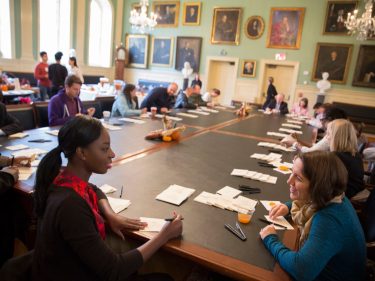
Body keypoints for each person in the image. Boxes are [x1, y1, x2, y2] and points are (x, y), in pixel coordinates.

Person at [32, 116, 183, 280]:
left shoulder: (63, 178)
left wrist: (110, 214)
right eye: (104, 149)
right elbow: (113, 270)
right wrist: (164, 236)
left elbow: (94, 189)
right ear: (82, 152)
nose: (112, 154)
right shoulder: (71, 206)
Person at [260, 151, 366, 281]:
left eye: (298, 178)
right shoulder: (335, 197)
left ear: (318, 186)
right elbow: (309, 203)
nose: (289, 181)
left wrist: (271, 239)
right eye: (291, 172)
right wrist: (288, 207)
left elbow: (301, 270)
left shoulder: (328, 220)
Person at [326, 119, 364, 198]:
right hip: (353, 190)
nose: (327, 137)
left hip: (343, 195)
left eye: (329, 134)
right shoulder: (355, 154)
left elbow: (324, 180)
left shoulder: (336, 156)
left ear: (336, 137)